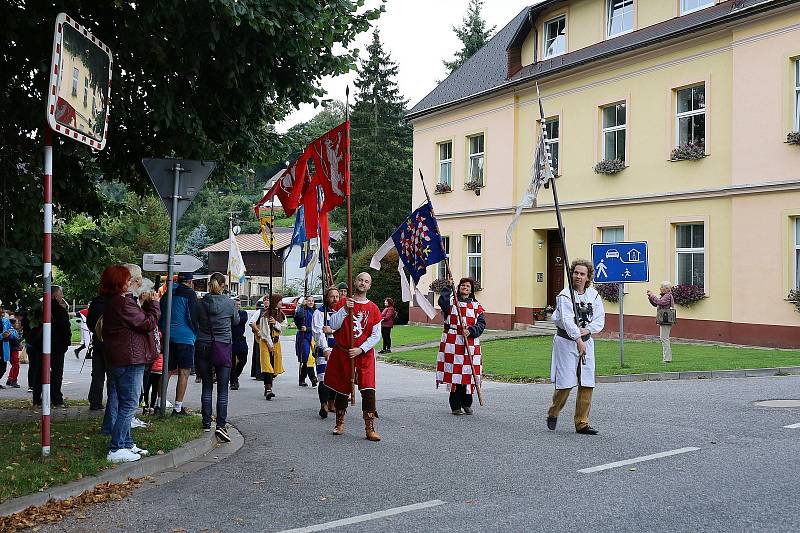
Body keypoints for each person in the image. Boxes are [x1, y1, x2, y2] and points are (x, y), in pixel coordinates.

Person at [101, 264, 160, 463]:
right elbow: (147, 324)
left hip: (120, 358)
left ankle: (126, 442)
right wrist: (154, 305)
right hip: (130, 358)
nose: (133, 282)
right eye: (128, 279)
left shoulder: (115, 302)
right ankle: (116, 448)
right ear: (120, 282)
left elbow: (138, 321)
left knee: (123, 400)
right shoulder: (123, 303)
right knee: (129, 403)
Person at [546, 259, 605, 435]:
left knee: (587, 382)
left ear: (588, 277)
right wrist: (578, 339)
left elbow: (599, 320)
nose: (578, 276)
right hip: (566, 342)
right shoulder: (564, 296)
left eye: (582, 274)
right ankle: (553, 411)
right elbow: (567, 321)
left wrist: (586, 331)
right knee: (565, 383)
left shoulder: (593, 295)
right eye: (576, 273)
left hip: (586, 341)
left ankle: (582, 422)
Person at [324, 272, 383, 441]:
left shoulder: (373, 308)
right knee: (343, 389)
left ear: (369, 286)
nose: (362, 283)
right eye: (360, 280)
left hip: (363, 355)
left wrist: (361, 349)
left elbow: (375, 335)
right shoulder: (343, 303)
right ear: (355, 282)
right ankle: (340, 422)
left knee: (368, 390)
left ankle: (369, 427)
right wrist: (344, 310)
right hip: (344, 354)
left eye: (366, 281)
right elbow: (333, 325)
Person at [195, 272, 239, 441]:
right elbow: (235, 322)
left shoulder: (200, 303)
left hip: (203, 344)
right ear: (222, 285)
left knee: (207, 385)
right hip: (223, 345)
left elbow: (194, 320)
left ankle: (206, 422)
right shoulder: (229, 303)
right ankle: (221, 424)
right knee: (222, 389)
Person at [436, 277, 486, 415]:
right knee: (455, 373)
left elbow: (481, 324)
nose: (465, 287)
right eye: (462, 285)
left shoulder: (477, 306)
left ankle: (467, 403)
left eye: (468, 286)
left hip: (470, 343)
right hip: (453, 342)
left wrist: (471, 331)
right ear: (458, 288)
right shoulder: (452, 303)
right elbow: (442, 302)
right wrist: (448, 287)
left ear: (471, 290)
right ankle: (455, 405)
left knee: (469, 374)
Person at [159, 272, 199, 416]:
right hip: (185, 337)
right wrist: (195, 332)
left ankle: (159, 404)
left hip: (169, 336)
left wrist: (163, 330)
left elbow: (161, 313)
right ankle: (177, 408)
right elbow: (193, 315)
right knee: (184, 372)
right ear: (190, 282)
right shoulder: (190, 294)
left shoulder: (168, 293)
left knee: (167, 371)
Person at [312, 287, 339, 418]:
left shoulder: (341, 312)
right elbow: (318, 332)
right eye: (332, 296)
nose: (335, 299)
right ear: (326, 298)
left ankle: (331, 402)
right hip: (324, 350)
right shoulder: (319, 313)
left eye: (337, 296)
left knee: (336, 378)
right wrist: (325, 348)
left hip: (339, 349)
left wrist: (332, 331)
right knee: (323, 377)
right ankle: (323, 404)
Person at [253, 293, 286, 400]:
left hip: (276, 343)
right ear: (275, 301)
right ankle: (268, 389)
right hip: (266, 342)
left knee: (274, 365)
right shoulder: (266, 314)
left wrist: (276, 323)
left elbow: (284, 327)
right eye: (280, 300)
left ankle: (268, 386)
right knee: (267, 365)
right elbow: (265, 331)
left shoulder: (281, 314)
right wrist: (269, 344)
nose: (281, 302)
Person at [49, 286, 72, 406]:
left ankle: (39, 398)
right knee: (56, 373)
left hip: (43, 345)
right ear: (54, 295)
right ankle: (56, 398)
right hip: (57, 346)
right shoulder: (59, 310)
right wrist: (67, 341)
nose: (62, 297)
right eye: (60, 294)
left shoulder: (43, 308)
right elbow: (64, 328)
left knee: (42, 372)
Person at [86, 294, 106, 410]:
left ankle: (95, 401)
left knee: (97, 374)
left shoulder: (95, 303)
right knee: (113, 375)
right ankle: (113, 402)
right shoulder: (115, 301)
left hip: (98, 342)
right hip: (112, 344)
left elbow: (90, 323)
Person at [647, 282, 676, 363]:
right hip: (665, 320)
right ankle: (666, 358)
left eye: (661, 287)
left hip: (665, 320)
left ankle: (667, 359)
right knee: (663, 338)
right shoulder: (665, 295)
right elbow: (656, 304)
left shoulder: (667, 296)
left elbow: (660, 302)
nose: (660, 288)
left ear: (666, 289)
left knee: (664, 338)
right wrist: (650, 298)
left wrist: (652, 295)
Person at [294, 295, 318, 387]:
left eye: (312, 301)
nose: (311, 302)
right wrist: (301, 306)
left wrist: (307, 328)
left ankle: (302, 379)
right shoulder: (302, 311)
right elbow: (298, 317)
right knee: (307, 357)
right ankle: (313, 378)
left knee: (309, 358)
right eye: (309, 301)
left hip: (312, 336)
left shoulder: (316, 312)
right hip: (303, 337)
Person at [229, 296, 249, 390]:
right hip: (231, 340)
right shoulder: (229, 314)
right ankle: (233, 381)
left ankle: (234, 376)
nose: (238, 306)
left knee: (243, 360)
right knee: (232, 363)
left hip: (240, 340)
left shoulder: (243, 313)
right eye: (236, 305)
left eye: (239, 304)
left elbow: (240, 321)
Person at [1, 304, 19, 389]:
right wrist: (2, 335)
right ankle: (12, 380)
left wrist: (9, 334)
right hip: (7, 345)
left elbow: (9, 332)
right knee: (14, 364)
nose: (2, 311)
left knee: (3, 367)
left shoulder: (5, 321)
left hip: (5, 346)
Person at [6, 316, 23, 388]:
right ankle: (13, 380)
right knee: (16, 365)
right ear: (12, 324)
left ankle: (10, 379)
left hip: (12, 350)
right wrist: (19, 345)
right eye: (16, 323)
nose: (18, 324)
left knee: (14, 365)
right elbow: (15, 341)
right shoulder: (12, 331)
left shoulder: (10, 331)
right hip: (13, 350)